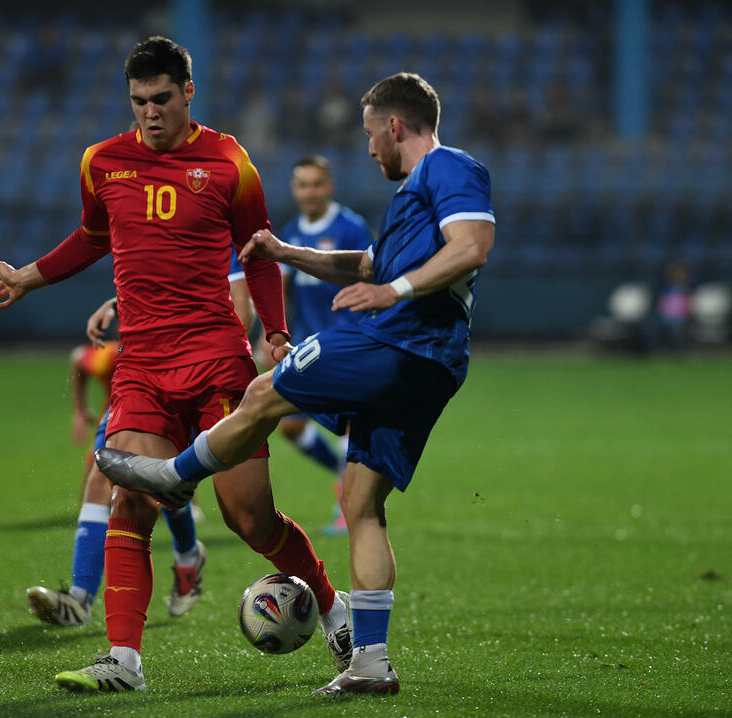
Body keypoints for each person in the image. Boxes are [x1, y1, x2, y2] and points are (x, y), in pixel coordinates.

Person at [97, 71, 495, 696]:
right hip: (425, 365)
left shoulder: (450, 167)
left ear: (395, 126)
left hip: (398, 344)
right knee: (361, 506)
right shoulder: (413, 199)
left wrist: (390, 292)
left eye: (371, 135)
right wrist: (287, 254)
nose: (369, 149)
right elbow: (364, 264)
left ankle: (176, 475)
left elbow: (472, 245)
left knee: (263, 393)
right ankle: (370, 662)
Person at [0, 36, 351, 693]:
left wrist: (276, 332)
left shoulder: (230, 161)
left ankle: (330, 603)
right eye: (137, 102)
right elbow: (94, 236)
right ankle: (124, 660)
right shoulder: (102, 162)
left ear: (187, 93)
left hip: (216, 361)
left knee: (250, 519)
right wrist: (29, 277)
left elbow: (258, 250)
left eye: (160, 99)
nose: (149, 113)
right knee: (132, 500)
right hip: (144, 365)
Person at [26, 252, 254, 626]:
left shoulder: (215, 226)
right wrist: (119, 303)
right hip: (141, 375)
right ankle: (79, 600)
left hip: (194, 374)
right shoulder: (148, 214)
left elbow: (242, 315)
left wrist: (190, 351)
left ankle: (186, 556)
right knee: (105, 473)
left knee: (165, 482)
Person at [275, 155, 374, 536]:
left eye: (317, 184)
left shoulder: (350, 227)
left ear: (329, 186)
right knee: (291, 427)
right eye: (303, 185)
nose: (310, 192)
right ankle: (341, 472)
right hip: (307, 344)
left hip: (347, 340)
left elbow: (370, 273)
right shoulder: (290, 232)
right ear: (295, 189)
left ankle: (347, 507)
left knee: (347, 425)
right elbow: (280, 290)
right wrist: (275, 334)